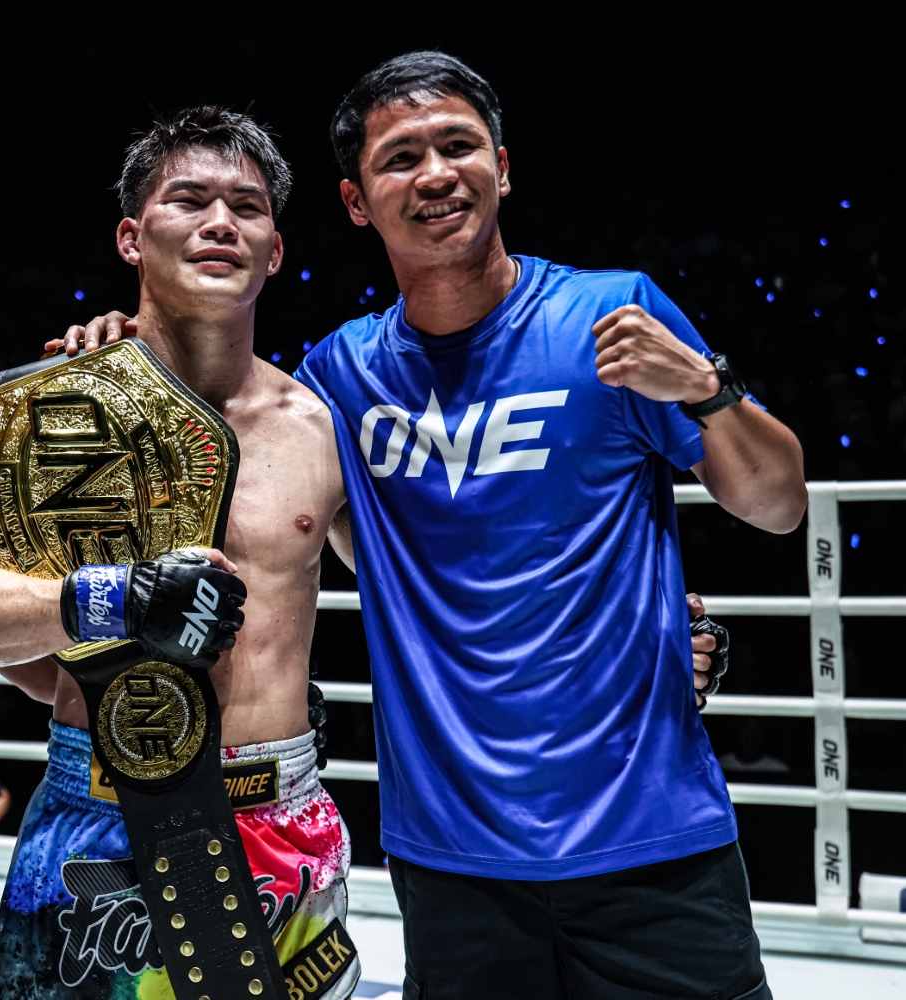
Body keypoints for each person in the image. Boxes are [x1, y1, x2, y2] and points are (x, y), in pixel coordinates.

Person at [292, 52, 804, 998]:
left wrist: (704, 385)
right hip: (452, 857)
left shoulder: (613, 313)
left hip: (649, 836)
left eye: (458, 146)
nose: (436, 174)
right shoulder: (338, 371)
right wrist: (123, 351)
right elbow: (288, 516)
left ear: (503, 166)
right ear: (357, 201)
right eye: (400, 157)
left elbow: (776, 505)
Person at [0, 108, 362, 1000]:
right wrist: (103, 607)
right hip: (103, 816)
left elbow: (435, 590)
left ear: (274, 249)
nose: (220, 221)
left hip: (284, 821)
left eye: (247, 205)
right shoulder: (64, 409)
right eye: (188, 198)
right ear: (130, 236)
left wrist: (641, 626)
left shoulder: (319, 428)